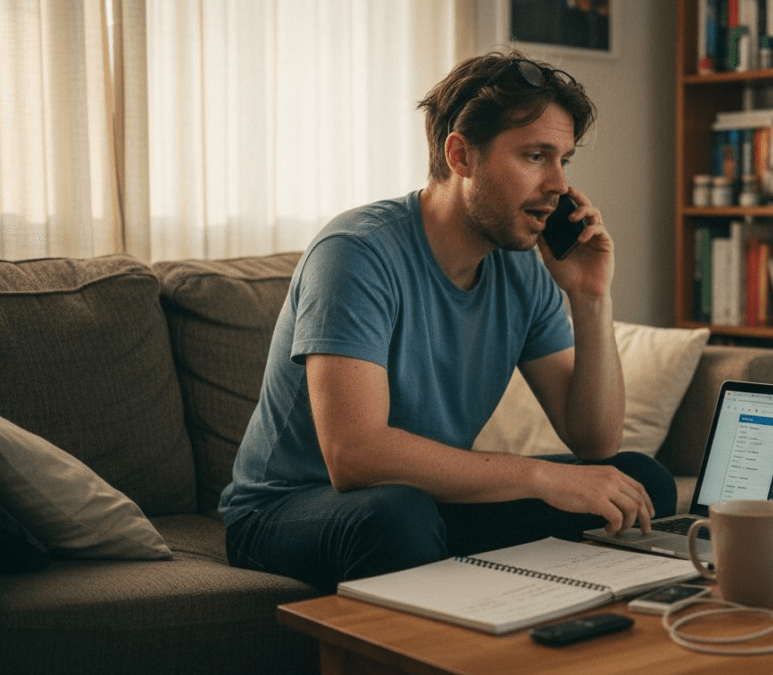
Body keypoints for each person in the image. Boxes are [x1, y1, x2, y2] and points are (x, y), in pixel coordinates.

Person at [219, 51, 677, 592]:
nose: (558, 183)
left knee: (636, 483)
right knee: (397, 516)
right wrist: (540, 476)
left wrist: (590, 296)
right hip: (286, 512)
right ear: (461, 155)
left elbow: (594, 441)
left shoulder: (522, 266)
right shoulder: (357, 252)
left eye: (564, 160)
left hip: (422, 500)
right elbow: (355, 456)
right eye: (535, 156)